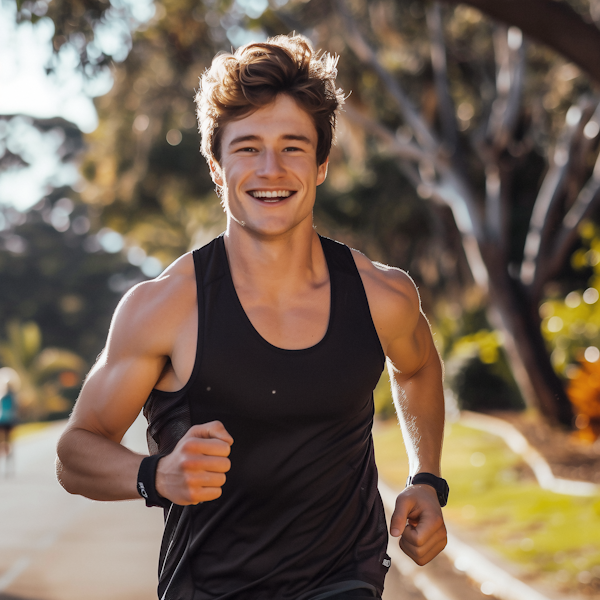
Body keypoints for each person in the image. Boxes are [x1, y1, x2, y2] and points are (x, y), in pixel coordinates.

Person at [56, 34, 448, 600]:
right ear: (216, 167)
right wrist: (155, 476)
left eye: (293, 147)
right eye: (247, 148)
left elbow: (417, 368)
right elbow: (76, 452)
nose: (271, 169)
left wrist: (426, 479)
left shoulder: (381, 295)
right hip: (209, 587)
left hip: (344, 580)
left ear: (321, 166)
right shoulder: (164, 308)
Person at [0, 381, 17, 476]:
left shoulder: (3, 396)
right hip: (9, 422)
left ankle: (8, 466)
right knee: (9, 443)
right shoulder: (12, 396)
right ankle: (9, 465)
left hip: (3, 421)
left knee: (4, 443)